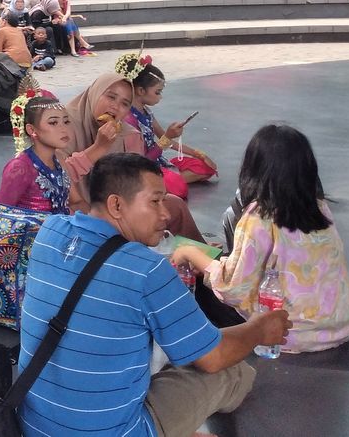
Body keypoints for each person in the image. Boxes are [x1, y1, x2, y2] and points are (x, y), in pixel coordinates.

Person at [18, 152, 291, 437]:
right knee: (231, 372)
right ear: (116, 205)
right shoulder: (146, 269)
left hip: (35, 425)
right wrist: (259, 329)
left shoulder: (48, 233)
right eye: (155, 201)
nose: (166, 213)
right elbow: (214, 357)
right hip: (113, 431)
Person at [173, 124, 349, 353]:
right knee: (215, 262)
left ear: (253, 168)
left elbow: (234, 287)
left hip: (287, 334)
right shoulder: (320, 208)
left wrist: (190, 254)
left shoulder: (258, 216)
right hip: (338, 326)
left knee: (197, 284)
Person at [60, 72, 204, 241]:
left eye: (124, 104)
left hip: (122, 207)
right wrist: (99, 147)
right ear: (95, 93)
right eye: (111, 97)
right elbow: (61, 180)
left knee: (175, 204)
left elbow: (137, 181)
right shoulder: (65, 125)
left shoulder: (128, 134)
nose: (115, 107)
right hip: (80, 212)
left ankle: (204, 259)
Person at [120, 58, 216, 186]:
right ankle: (163, 182)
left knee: (205, 167)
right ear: (141, 91)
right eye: (157, 92)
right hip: (142, 170)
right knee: (178, 186)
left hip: (157, 163)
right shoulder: (129, 119)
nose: (160, 97)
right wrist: (167, 137)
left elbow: (166, 140)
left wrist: (198, 154)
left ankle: (167, 181)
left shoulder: (146, 111)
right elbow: (140, 162)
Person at [0, 93, 73, 213]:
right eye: (53, 123)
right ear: (31, 130)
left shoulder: (59, 160)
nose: (63, 129)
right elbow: (0, 214)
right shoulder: (19, 168)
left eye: (66, 122)